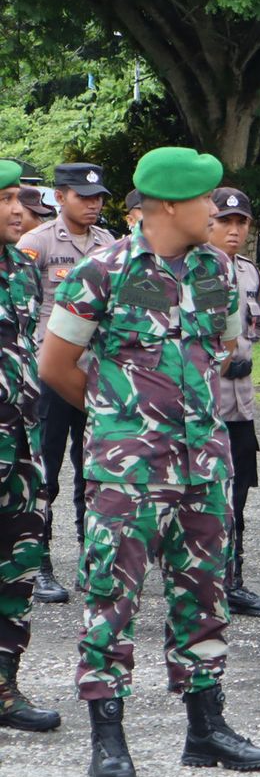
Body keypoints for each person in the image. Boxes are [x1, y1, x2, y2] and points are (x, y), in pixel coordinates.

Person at [41, 146, 260, 777]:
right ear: (169, 205)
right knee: (111, 597)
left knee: (205, 594)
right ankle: (108, 738)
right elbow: (55, 365)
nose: (215, 212)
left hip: (204, 465)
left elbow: (225, 346)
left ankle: (206, 728)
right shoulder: (100, 272)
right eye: (205, 200)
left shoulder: (216, 270)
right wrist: (118, 418)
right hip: (129, 470)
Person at [16, 162, 115, 604]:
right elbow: (19, 308)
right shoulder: (36, 243)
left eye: (98, 198)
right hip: (51, 374)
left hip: (96, 373)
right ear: (60, 197)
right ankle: (39, 564)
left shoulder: (109, 244)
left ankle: (91, 560)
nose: (93, 205)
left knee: (94, 470)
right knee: (46, 472)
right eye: (83, 197)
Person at [0, 160, 60, 734]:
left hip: (19, 446)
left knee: (16, 566)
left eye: (19, 198)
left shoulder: (22, 267)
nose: (18, 210)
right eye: (5, 200)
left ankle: (3, 687)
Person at [206, 188, 260, 617]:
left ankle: (231, 581)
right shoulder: (192, 268)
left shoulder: (250, 272)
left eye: (241, 222)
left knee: (238, 494)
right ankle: (200, 582)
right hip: (205, 403)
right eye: (225, 222)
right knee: (200, 497)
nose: (234, 230)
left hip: (240, 404)